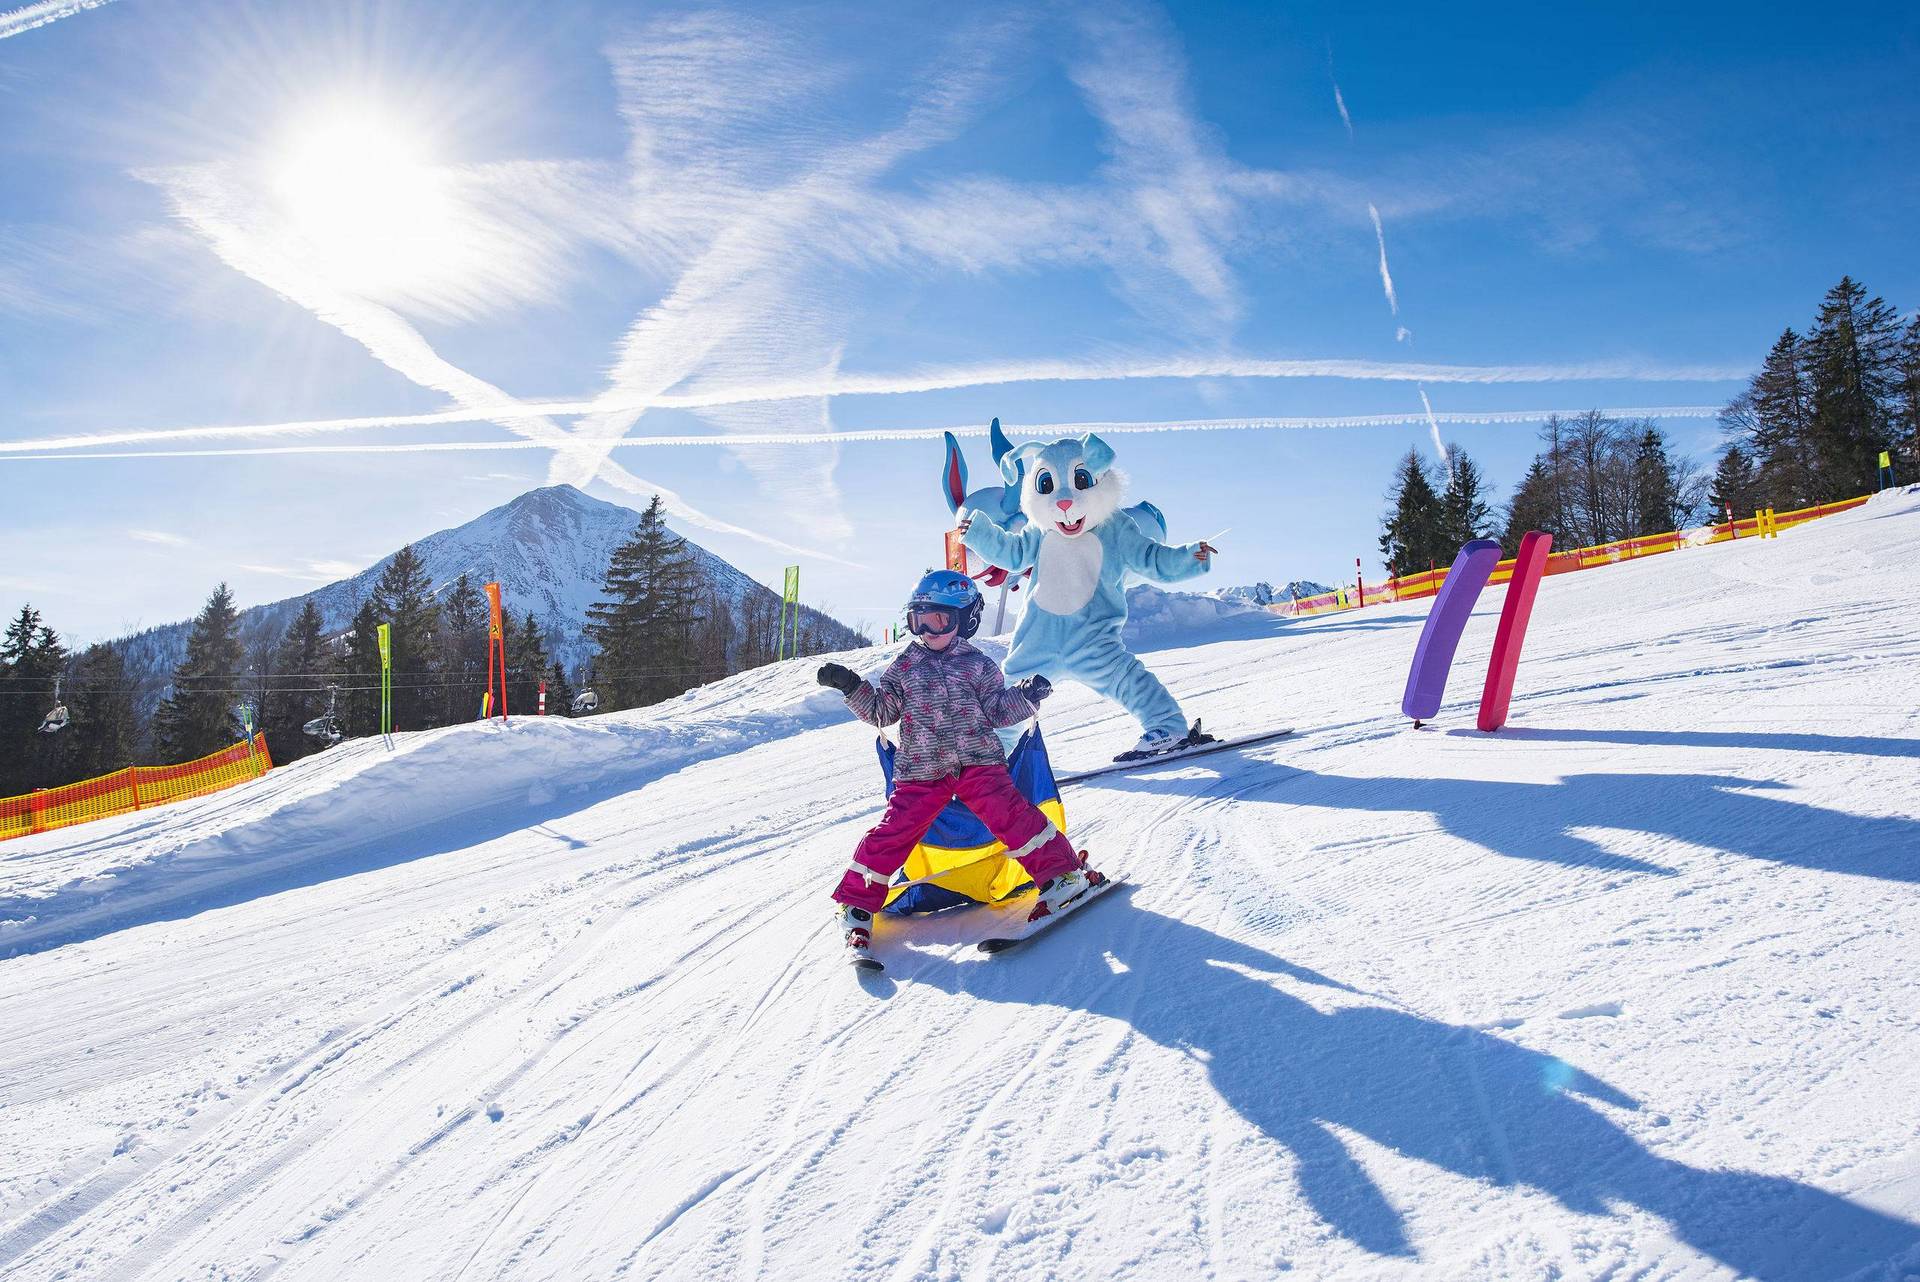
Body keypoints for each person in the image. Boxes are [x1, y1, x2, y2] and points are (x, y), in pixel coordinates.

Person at [816, 569, 1105, 961]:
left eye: (938, 620)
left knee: (1012, 815)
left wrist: (1027, 696)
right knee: (894, 831)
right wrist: (853, 687)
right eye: (919, 620)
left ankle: (1062, 878)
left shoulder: (979, 666)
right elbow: (882, 712)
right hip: (921, 770)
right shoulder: (904, 666)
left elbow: (999, 711)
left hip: (978, 763)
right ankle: (856, 904)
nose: (927, 630)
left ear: (964, 620)